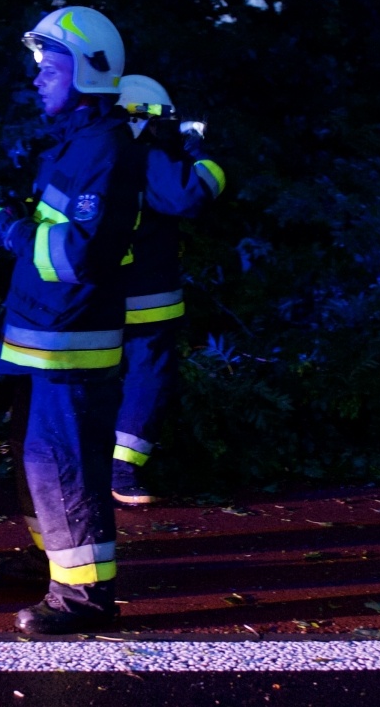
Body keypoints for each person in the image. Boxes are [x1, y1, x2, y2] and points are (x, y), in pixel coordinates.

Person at [0, 6, 143, 635]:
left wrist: (7, 229)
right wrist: (14, 208)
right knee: (39, 459)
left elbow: (79, 255)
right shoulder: (77, 142)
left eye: (51, 64)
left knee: (64, 465)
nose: (38, 75)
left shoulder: (105, 148)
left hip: (71, 342)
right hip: (46, 335)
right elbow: (59, 223)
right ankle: (55, 563)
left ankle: (84, 597)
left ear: (90, 70)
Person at [110, 75, 225, 505]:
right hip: (147, 294)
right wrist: (198, 151)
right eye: (162, 122)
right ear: (141, 119)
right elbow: (190, 195)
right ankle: (122, 471)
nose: (167, 131)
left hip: (100, 292)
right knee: (149, 376)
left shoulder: (98, 152)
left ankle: (90, 465)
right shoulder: (149, 157)